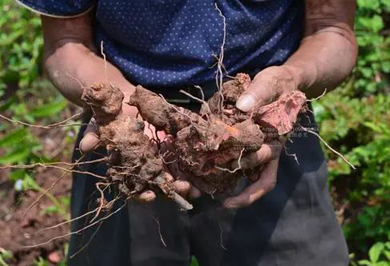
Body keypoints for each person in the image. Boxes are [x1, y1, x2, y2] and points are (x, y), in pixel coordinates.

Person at [17, 0, 358, 265]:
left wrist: (293, 80)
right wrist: (116, 105)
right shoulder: (127, 120)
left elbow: (332, 30)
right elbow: (65, 41)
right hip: (129, 134)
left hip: (264, 116)